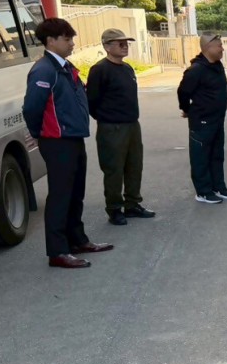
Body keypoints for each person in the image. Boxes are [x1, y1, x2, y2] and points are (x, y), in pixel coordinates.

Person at [21, 17, 114, 269]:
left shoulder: (64, 66)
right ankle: (58, 251)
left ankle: (77, 240)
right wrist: (38, 132)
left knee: (75, 192)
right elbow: (31, 107)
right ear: (51, 41)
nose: (72, 43)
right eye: (67, 38)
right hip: (57, 141)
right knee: (61, 196)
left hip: (72, 137)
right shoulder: (44, 70)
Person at [87, 28, 154, 226]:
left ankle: (132, 204)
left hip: (132, 125)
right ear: (107, 46)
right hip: (112, 127)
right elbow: (91, 101)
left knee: (134, 166)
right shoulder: (100, 70)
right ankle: (114, 208)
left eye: (126, 43)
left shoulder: (127, 68)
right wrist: (107, 118)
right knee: (114, 170)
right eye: (120, 43)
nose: (125, 46)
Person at [178, 32, 227, 204]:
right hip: (202, 122)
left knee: (217, 155)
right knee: (201, 158)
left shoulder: (217, 66)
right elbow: (183, 92)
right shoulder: (196, 70)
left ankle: (218, 187)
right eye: (219, 46)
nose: (222, 49)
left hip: (217, 120)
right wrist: (187, 110)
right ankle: (203, 191)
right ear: (208, 47)